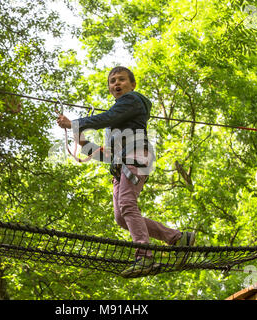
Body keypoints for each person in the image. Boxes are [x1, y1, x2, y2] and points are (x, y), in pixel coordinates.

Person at [57, 66, 195, 278]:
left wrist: (76, 123)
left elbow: (107, 117)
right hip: (122, 164)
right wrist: (81, 140)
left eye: (121, 80)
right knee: (122, 217)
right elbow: (105, 154)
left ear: (132, 84)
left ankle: (144, 257)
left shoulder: (132, 101)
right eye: (112, 81)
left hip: (136, 156)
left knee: (127, 204)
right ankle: (177, 238)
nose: (116, 84)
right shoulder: (117, 124)